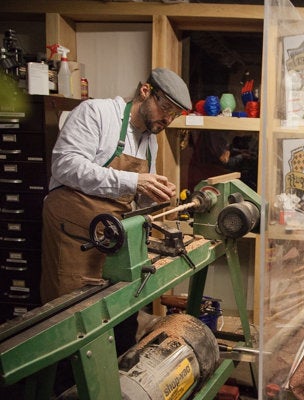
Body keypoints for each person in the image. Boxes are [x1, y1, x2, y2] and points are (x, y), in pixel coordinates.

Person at [40, 67, 192, 355]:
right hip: (73, 233)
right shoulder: (96, 113)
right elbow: (65, 166)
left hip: (111, 237)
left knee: (112, 319)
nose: (167, 120)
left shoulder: (151, 140)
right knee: (70, 323)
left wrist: (156, 198)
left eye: (174, 115)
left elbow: (138, 192)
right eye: (166, 109)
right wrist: (135, 180)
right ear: (146, 92)